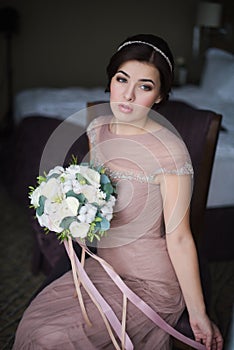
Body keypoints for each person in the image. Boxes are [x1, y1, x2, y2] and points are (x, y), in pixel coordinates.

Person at [13, 34, 223, 350]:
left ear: (160, 95)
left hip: (149, 283)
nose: (127, 94)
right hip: (103, 267)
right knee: (36, 324)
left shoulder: (170, 152)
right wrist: (71, 212)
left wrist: (198, 314)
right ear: (110, 80)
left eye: (145, 86)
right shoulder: (97, 129)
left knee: (55, 339)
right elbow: (101, 201)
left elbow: (179, 238)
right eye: (121, 79)